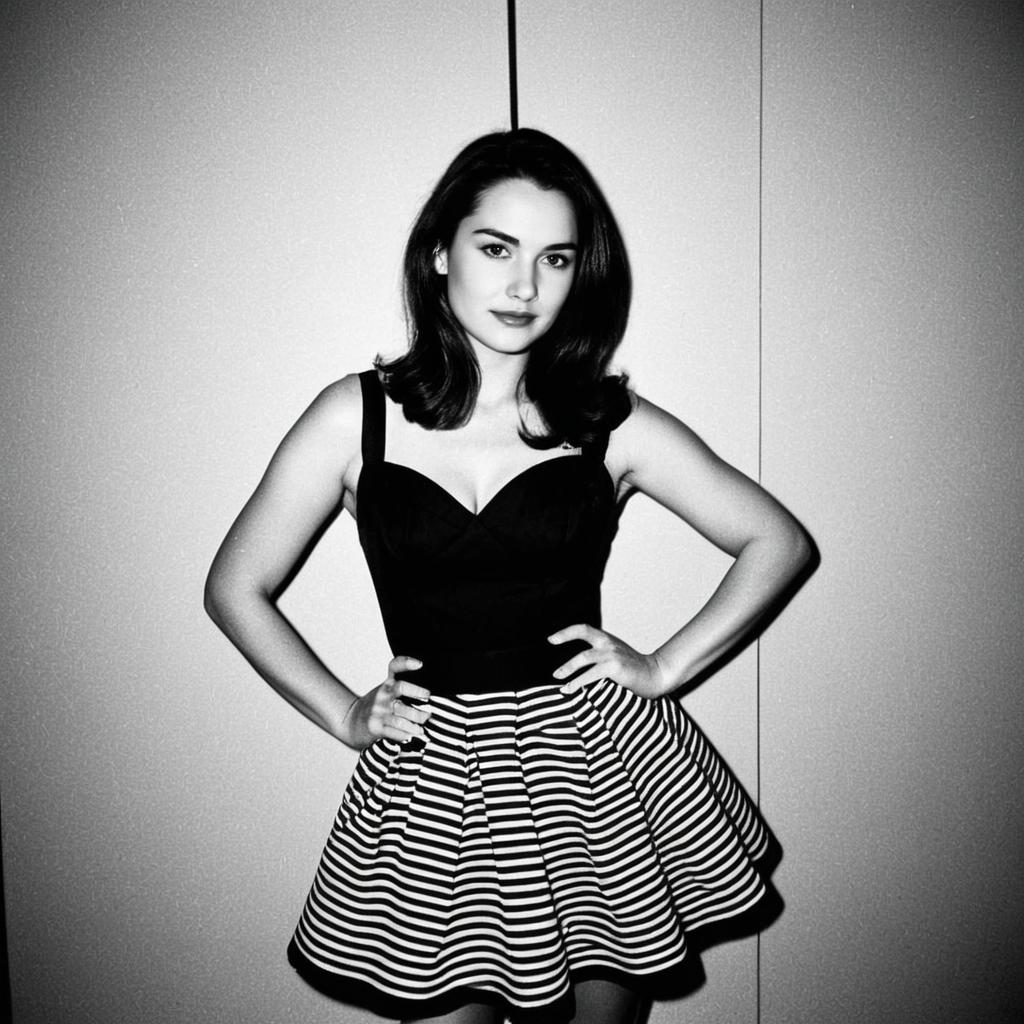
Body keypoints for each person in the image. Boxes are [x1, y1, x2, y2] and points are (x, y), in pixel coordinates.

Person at [205, 128, 812, 1024]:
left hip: (598, 771)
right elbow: (234, 588)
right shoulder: (354, 418)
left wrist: (661, 669)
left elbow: (776, 541)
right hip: (433, 776)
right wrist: (343, 714)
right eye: (498, 249)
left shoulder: (607, 421)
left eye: (555, 258)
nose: (526, 286)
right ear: (440, 252)